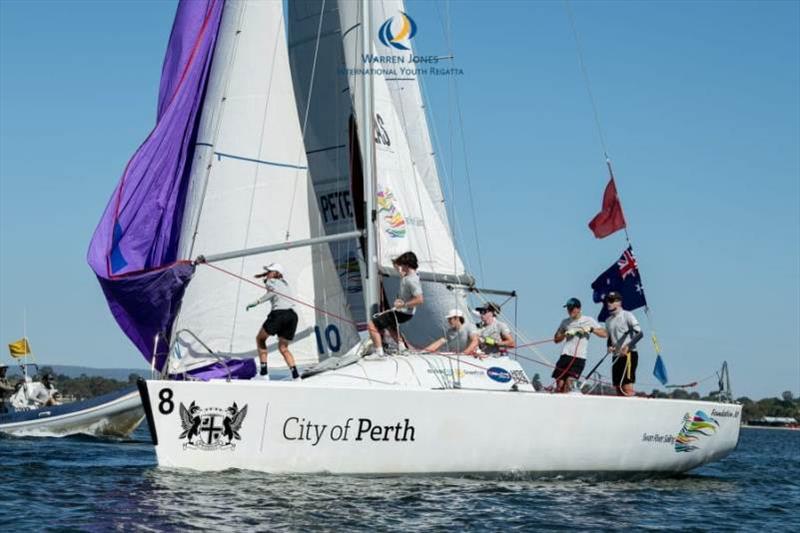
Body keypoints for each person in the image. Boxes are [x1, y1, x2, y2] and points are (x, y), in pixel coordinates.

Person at [246, 263, 300, 381]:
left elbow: (272, 293)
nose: (268, 273)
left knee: (260, 339)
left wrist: (257, 302)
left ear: (276, 273)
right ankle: (296, 376)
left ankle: (264, 373)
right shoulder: (285, 283)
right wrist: (265, 279)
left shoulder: (271, 282)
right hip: (292, 316)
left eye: (270, 271)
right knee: (283, 347)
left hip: (279, 315)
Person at [368, 251, 424, 356]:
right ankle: (402, 347)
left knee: (372, 325)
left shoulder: (411, 280)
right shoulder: (409, 275)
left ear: (406, 265)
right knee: (389, 324)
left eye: (402, 265)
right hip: (404, 312)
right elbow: (401, 271)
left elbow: (420, 299)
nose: (400, 268)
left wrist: (402, 305)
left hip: (403, 312)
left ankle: (378, 353)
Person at [552, 297, 607, 393]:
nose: (569, 311)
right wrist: (565, 334)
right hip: (565, 355)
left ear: (578, 308)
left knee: (570, 382)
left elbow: (604, 333)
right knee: (559, 384)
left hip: (579, 357)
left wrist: (591, 329)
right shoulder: (565, 322)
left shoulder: (588, 320)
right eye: (568, 308)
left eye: (571, 308)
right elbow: (556, 339)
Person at [604, 291, 643, 396]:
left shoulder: (627, 315)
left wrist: (627, 347)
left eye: (612, 301)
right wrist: (609, 346)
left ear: (619, 302)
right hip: (616, 356)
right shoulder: (608, 320)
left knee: (626, 386)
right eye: (608, 301)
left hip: (629, 354)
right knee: (618, 387)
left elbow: (640, 333)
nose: (609, 303)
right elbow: (610, 338)